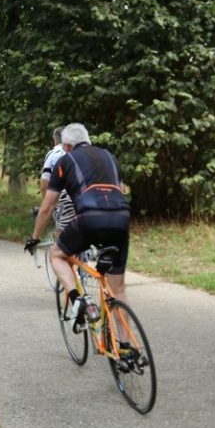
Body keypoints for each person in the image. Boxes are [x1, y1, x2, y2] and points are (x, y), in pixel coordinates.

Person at [25, 123, 131, 325]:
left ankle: (78, 300)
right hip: (121, 217)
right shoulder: (110, 157)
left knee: (56, 254)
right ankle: (127, 349)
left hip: (90, 218)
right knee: (119, 289)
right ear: (88, 140)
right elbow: (121, 189)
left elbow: (47, 207)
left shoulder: (65, 161)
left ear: (66, 146)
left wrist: (34, 238)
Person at [39, 126, 76, 235]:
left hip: (65, 198)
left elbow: (44, 184)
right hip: (84, 196)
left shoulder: (53, 153)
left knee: (62, 240)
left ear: (55, 140)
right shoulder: (77, 152)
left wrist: (47, 205)